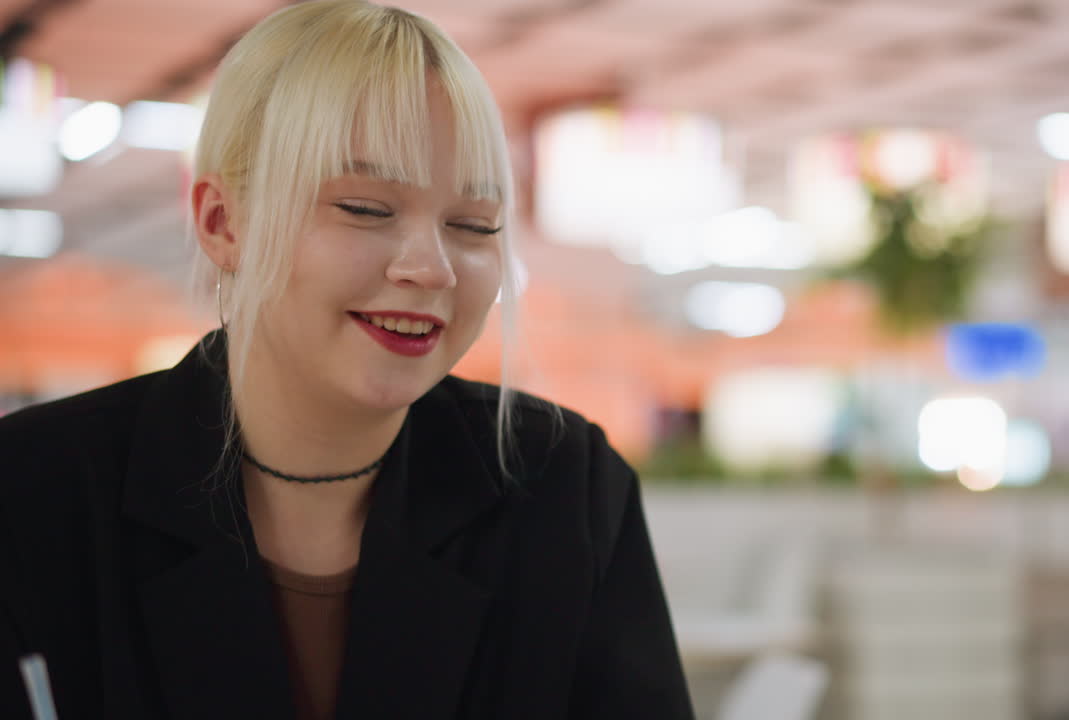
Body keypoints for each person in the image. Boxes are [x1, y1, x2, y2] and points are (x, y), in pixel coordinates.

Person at [0, 2, 695, 718]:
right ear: (223, 223)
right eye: (366, 209)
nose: (433, 269)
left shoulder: (563, 487)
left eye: (472, 225)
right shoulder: (34, 491)